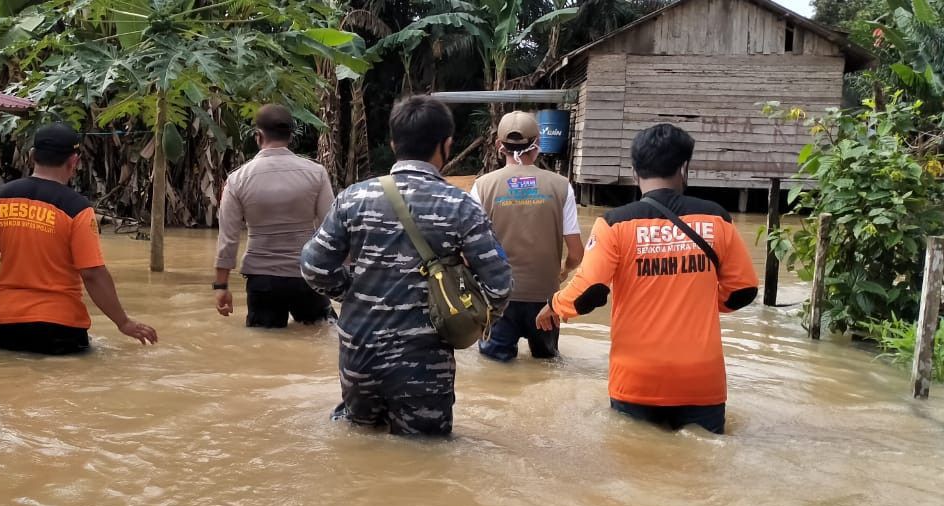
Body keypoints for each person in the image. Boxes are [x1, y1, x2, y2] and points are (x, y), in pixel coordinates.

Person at [301, 96, 512, 436]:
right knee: (425, 464)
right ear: (446, 145)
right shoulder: (461, 207)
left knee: (360, 451)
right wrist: (465, 321)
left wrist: (351, 291)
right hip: (425, 365)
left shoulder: (352, 198)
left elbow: (313, 266)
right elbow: (499, 287)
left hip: (359, 357)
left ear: (393, 143)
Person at [535, 123, 758, 434]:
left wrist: (554, 305)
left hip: (637, 378)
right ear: (684, 167)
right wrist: (698, 302)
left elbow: (590, 292)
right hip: (701, 379)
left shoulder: (614, 224)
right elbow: (743, 291)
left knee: (634, 469)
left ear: (634, 170)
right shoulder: (717, 219)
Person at [0, 122, 157, 353]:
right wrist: (123, 322)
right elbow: (92, 274)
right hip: (62, 329)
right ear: (73, 162)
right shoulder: (77, 208)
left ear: (31, 156)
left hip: (7, 328)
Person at [469, 111, 583, 361]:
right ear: (538, 144)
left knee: (495, 373)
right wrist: (563, 271)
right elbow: (576, 254)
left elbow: (469, 249)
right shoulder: (562, 186)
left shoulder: (482, 186)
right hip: (545, 298)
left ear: (500, 146)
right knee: (546, 367)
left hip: (498, 298)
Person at [213, 105, 336, 328]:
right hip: (307, 276)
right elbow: (331, 228)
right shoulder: (316, 173)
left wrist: (221, 286)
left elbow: (228, 238)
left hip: (262, 281)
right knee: (321, 336)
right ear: (291, 135)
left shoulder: (237, 179)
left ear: (258, 136)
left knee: (264, 349)